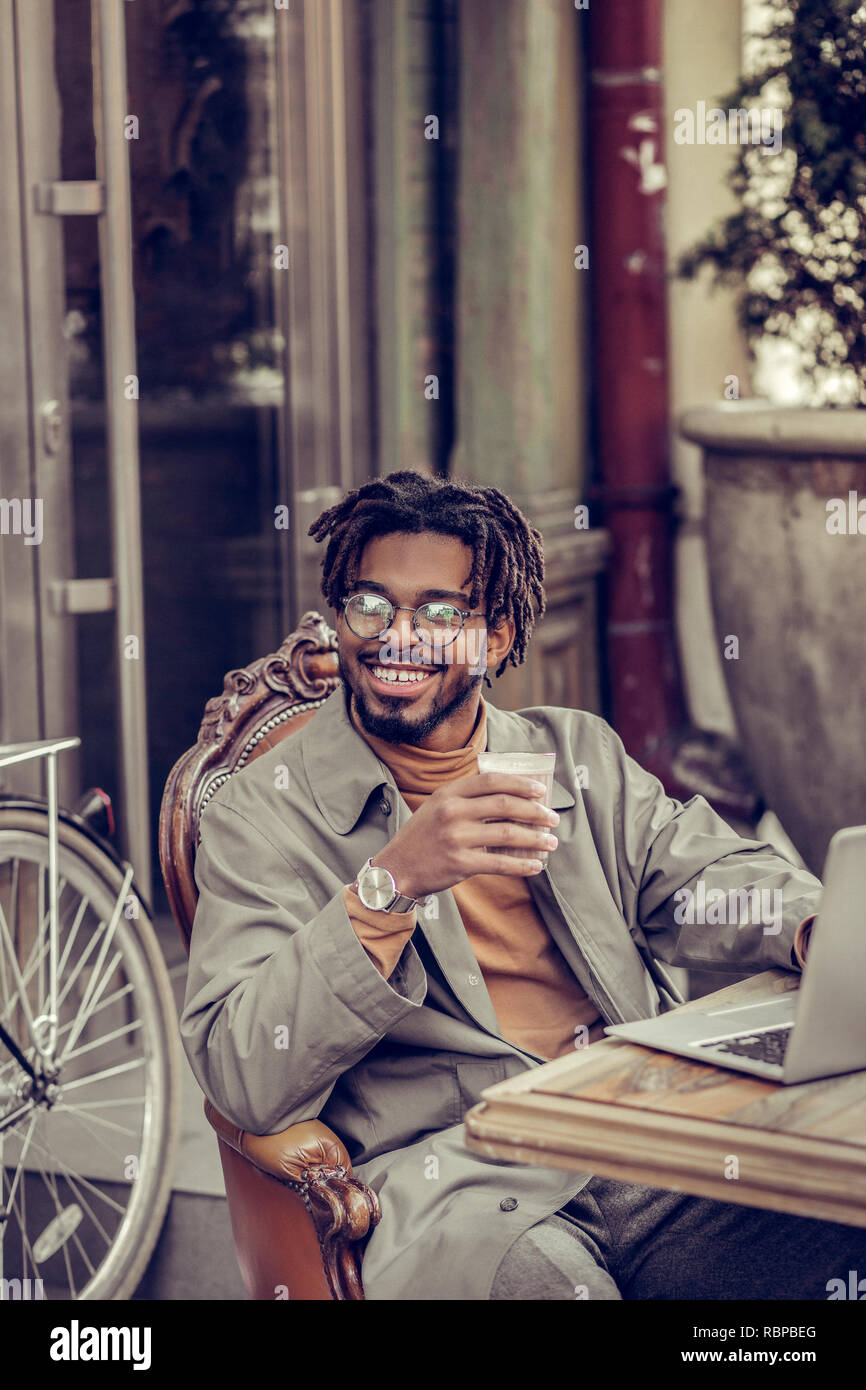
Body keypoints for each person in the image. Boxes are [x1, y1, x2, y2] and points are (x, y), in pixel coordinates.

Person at [180, 469, 862, 1300]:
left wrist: (811, 928)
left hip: (640, 1144)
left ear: (497, 637)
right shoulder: (263, 815)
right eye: (370, 605)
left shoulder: (571, 754)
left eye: (439, 613)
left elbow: (704, 874)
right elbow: (242, 1071)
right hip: (460, 1187)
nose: (399, 635)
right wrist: (392, 884)